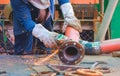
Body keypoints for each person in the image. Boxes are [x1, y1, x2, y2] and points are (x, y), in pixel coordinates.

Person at [10, 0, 82, 55]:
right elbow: (27, 22)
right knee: (24, 52)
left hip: (45, 14)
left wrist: (69, 15)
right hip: (24, 15)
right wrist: (44, 35)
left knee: (45, 51)